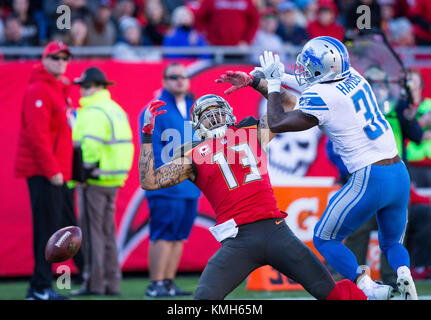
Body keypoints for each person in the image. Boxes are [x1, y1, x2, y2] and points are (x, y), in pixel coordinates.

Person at [139, 95, 367, 300]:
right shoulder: (200, 152)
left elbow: (288, 104)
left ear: (229, 113)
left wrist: (262, 84)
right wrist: (148, 135)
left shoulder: (248, 132)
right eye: (208, 115)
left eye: (217, 111)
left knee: (330, 293)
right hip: (241, 240)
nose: (215, 117)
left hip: (275, 231)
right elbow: (150, 181)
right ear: (198, 126)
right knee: (204, 298)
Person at [239, 39, 418, 299]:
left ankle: (368, 287)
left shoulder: (322, 97)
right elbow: (314, 84)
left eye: (310, 65)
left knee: (325, 238)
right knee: (391, 242)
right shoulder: (353, 75)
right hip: (399, 172)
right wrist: (281, 76)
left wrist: (275, 84)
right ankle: (404, 273)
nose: (305, 68)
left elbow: (277, 122)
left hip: (370, 175)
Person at [14, 41, 73, 300]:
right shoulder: (39, 89)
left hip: (57, 173)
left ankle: (45, 286)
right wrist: (52, 171)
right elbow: (37, 137)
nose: (61, 61)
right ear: (45, 59)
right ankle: (38, 288)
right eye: (56, 57)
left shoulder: (59, 89)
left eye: (64, 58)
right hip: (46, 173)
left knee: (55, 231)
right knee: (47, 231)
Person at [70, 67, 134, 296]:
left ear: (98, 87)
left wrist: (83, 175)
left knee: (92, 233)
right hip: (113, 179)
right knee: (107, 233)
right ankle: (112, 283)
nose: (82, 91)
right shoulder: (114, 109)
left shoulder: (92, 111)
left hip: (94, 180)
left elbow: (90, 147)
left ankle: (93, 283)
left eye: (86, 86)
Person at [138, 62, 200, 297]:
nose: (180, 80)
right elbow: (152, 145)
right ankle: (156, 284)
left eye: (183, 76)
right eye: (174, 77)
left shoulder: (192, 107)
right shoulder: (156, 108)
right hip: (165, 184)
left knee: (179, 236)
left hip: (189, 185)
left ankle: (168, 282)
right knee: (163, 234)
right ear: (164, 81)